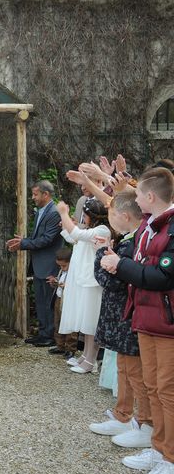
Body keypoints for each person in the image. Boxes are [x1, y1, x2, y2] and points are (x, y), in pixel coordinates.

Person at [101, 167, 174, 474]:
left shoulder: (170, 228)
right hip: (147, 317)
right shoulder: (150, 225)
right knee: (154, 388)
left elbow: (163, 276)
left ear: (150, 196)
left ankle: (170, 459)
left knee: (167, 390)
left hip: (166, 320)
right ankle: (159, 448)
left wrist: (121, 266)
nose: (133, 197)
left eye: (138, 192)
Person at [88, 190, 152, 449]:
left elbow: (110, 281)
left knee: (136, 373)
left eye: (112, 214)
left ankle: (145, 422)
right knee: (125, 368)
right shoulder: (132, 238)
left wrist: (101, 254)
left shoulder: (133, 242)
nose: (110, 219)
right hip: (123, 314)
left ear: (124, 216)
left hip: (127, 313)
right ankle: (124, 414)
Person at [6, 180, 64, 346]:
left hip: (49, 265)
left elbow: (46, 240)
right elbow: (38, 238)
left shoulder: (54, 213)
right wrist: (23, 241)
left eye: (35, 194)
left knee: (48, 302)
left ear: (46, 194)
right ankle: (43, 333)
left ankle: (50, 336)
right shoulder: (40, 212)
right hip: (39, 265)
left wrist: (23, 244)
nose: (33, 197)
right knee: (40, 301)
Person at [57, 197, 110, 373]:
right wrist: (65, 226)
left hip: (93, 282)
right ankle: (86, 356)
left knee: (92, 323)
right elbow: (75, 238)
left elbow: (78, 235)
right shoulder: (92, 229)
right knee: (87, 323)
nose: (82, 218)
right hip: (85, 280)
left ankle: (91, 361)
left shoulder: (103, 230)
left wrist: (64, 213)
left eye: (84, 215)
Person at [46, 248, 78, 359]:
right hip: (59, 298)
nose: (62, 268)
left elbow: (77, 287)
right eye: (59, 266)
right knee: (57, 323)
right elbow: (60, 282)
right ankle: (60, 345)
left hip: (69, 301)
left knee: (70, 325)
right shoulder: (63, 271)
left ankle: (71, 348)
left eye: (64, 266)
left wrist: (66, 286)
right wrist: (55, 282)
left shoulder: (75, 272)